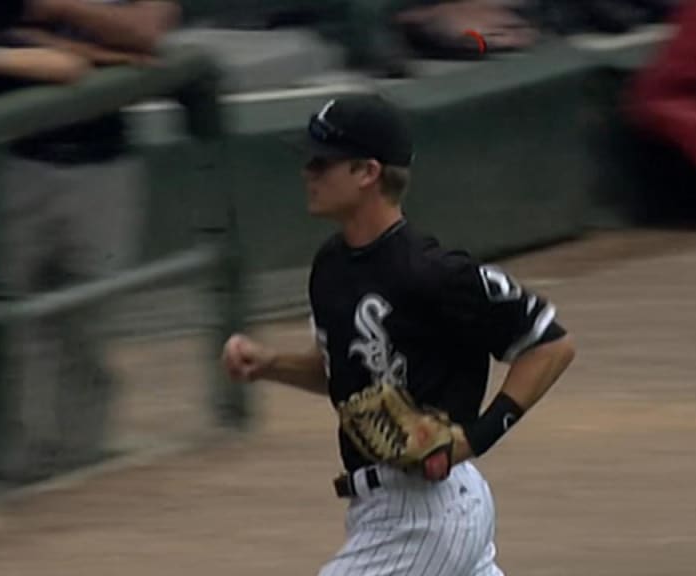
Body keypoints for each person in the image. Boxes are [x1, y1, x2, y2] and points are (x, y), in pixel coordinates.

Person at [221, 94, 576, 576]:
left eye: (322, 162)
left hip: (425, 512)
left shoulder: (433, 273)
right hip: (390, 512)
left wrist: (475, 438)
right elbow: (346, 373)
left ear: (367, 173)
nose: (308, 172)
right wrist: (268, 364)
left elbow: (550, 345)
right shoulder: (330, 266)